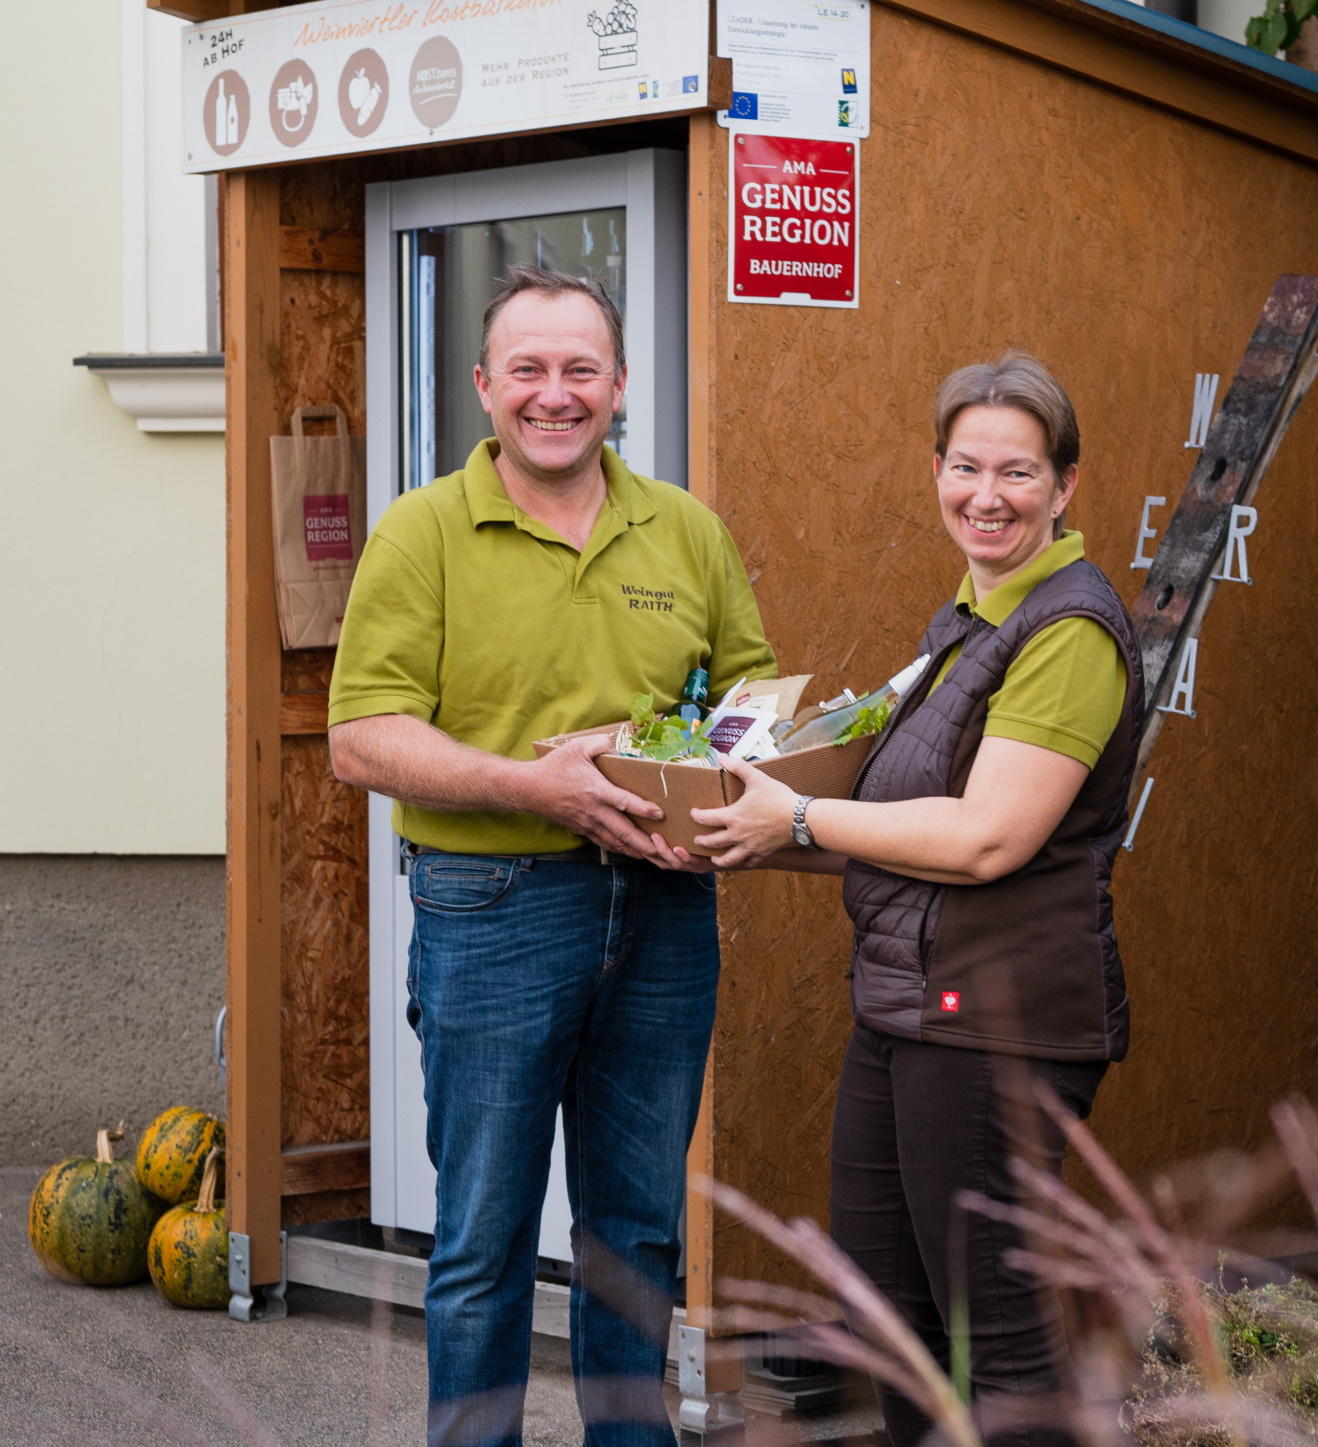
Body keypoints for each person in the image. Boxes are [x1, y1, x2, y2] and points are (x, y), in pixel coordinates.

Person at [327, 265, 776, 1447]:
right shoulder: (421, 532)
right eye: (527, 368)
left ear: (619, 386)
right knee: (482, 1235)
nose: (554, 393)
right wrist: (537, 785)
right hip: (494, 905)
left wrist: (699, 770)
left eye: (580, 368)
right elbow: (359, 737)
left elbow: (745, 708)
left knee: (635, 1235)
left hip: (665, 911)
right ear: (483, 385)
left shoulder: (684, 529)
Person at [684, 352, 1142, 1447]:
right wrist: (731, 831)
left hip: (995, 1024)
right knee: (888, 1322)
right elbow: (895, 834)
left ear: (1066, 485)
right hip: (907, 1011)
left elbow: (986, 838)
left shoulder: (1068, 631)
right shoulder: (963, 629)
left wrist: (792, 820)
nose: (987, 494)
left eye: (1019, 473)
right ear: (935, 470)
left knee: (998, 1341)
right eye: (966, 466)